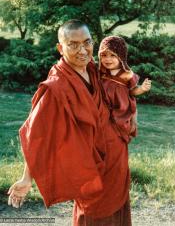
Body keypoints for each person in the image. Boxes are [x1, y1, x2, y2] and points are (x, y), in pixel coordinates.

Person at [8, 20, 132, 226]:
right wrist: (26, 178)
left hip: (116, 165)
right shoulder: (57, 86)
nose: (82, 50)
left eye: (87, 42)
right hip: (91, 169)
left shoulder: (94, 70)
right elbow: (37, 134)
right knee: (92, 217)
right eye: (73, 44)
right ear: (60, 47)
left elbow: (122, 88)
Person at [98, 36, 152, 144]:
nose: (107, 59)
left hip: (121, 110)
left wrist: (142, 89)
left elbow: (132, 91)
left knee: (117, 137)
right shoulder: (101, 72)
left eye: (113, 55)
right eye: (104, 55)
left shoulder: (126, 74)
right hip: (104, 110)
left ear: (121, 57)